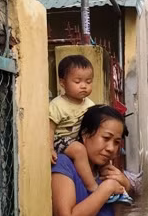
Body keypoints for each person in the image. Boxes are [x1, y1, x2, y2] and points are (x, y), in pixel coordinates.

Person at [49, 54, 131, 205]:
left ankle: (120, 192)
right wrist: (49, 148)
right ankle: (93, 188)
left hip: (76, 141)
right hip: (60, 140)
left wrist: (126, 184)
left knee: (105, 163)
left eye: (88, 82)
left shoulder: (89, 104)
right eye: (77, 82)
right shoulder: (57, 105)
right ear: (62, 82)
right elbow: (50, 128)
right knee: (79, 150)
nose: (84, 86)